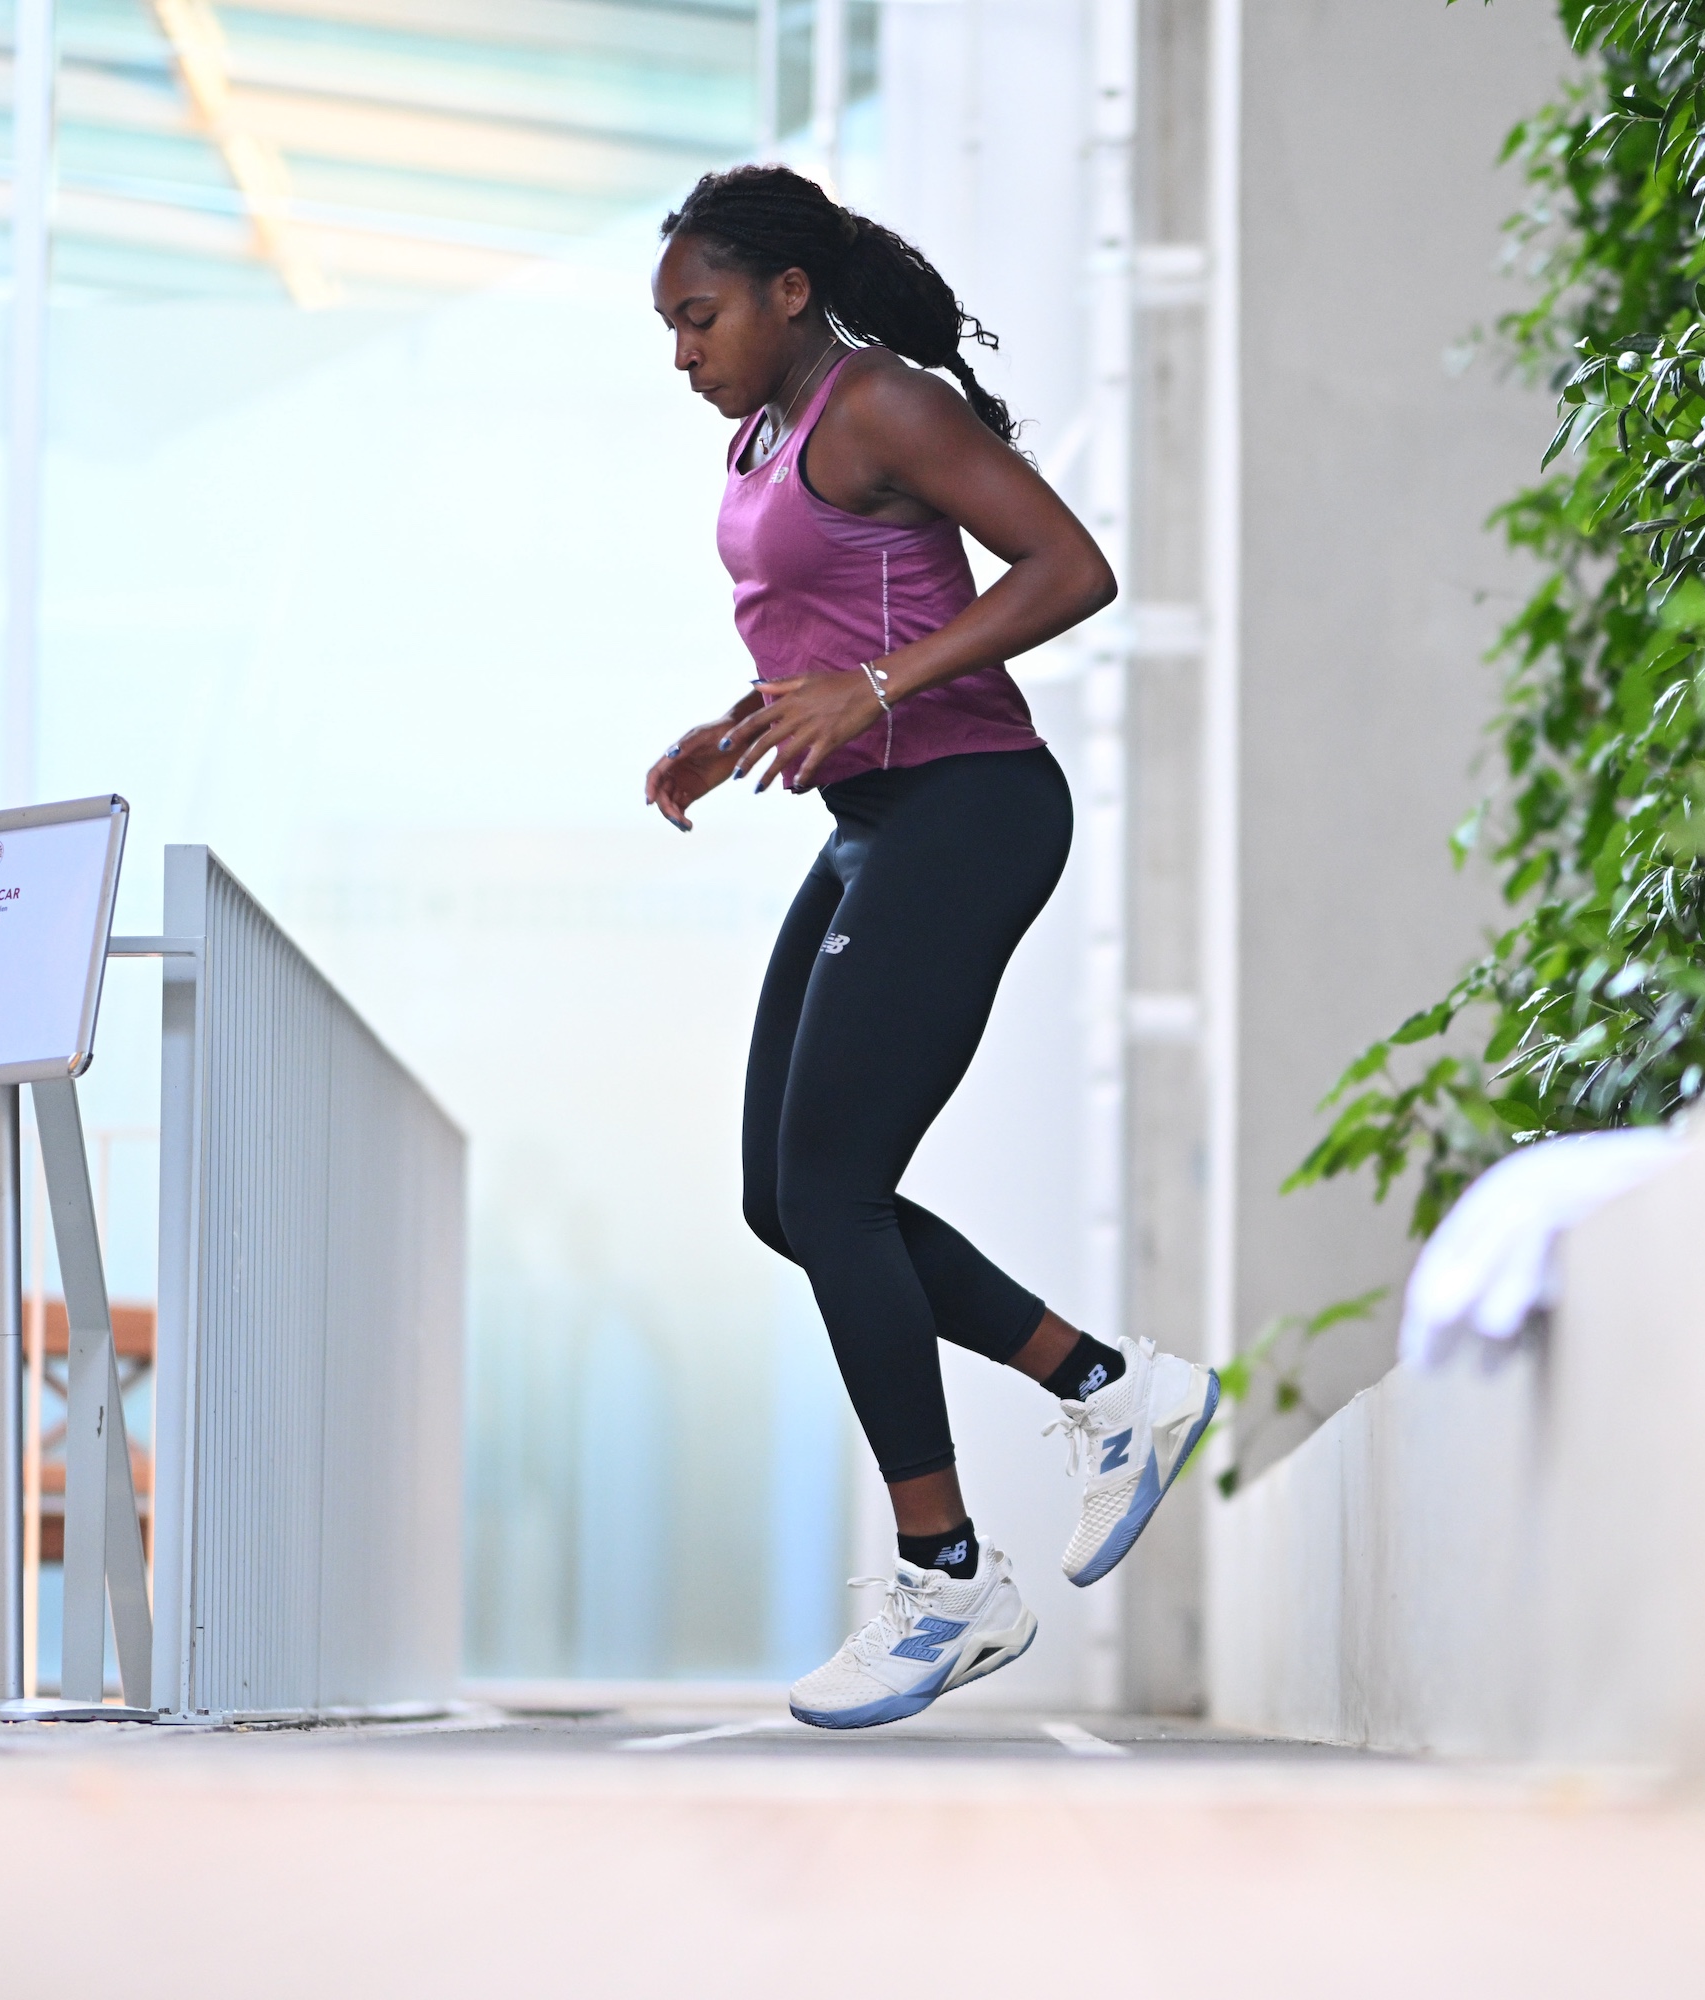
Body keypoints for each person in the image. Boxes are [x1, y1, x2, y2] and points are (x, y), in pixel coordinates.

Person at [642, 166, 1217, 1730]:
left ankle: (946, 1574)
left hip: (969, 808)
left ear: (785, 295)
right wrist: (740, 724)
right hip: (878, 823)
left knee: (831, 1188)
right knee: (787, 1195)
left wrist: (880, 691)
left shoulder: (881, 403)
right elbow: (829, 617)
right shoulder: (767, 432)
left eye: (700, 318)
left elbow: (1071, 568)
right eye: (669, 328)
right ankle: (1112, 1392)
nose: (683, 352)